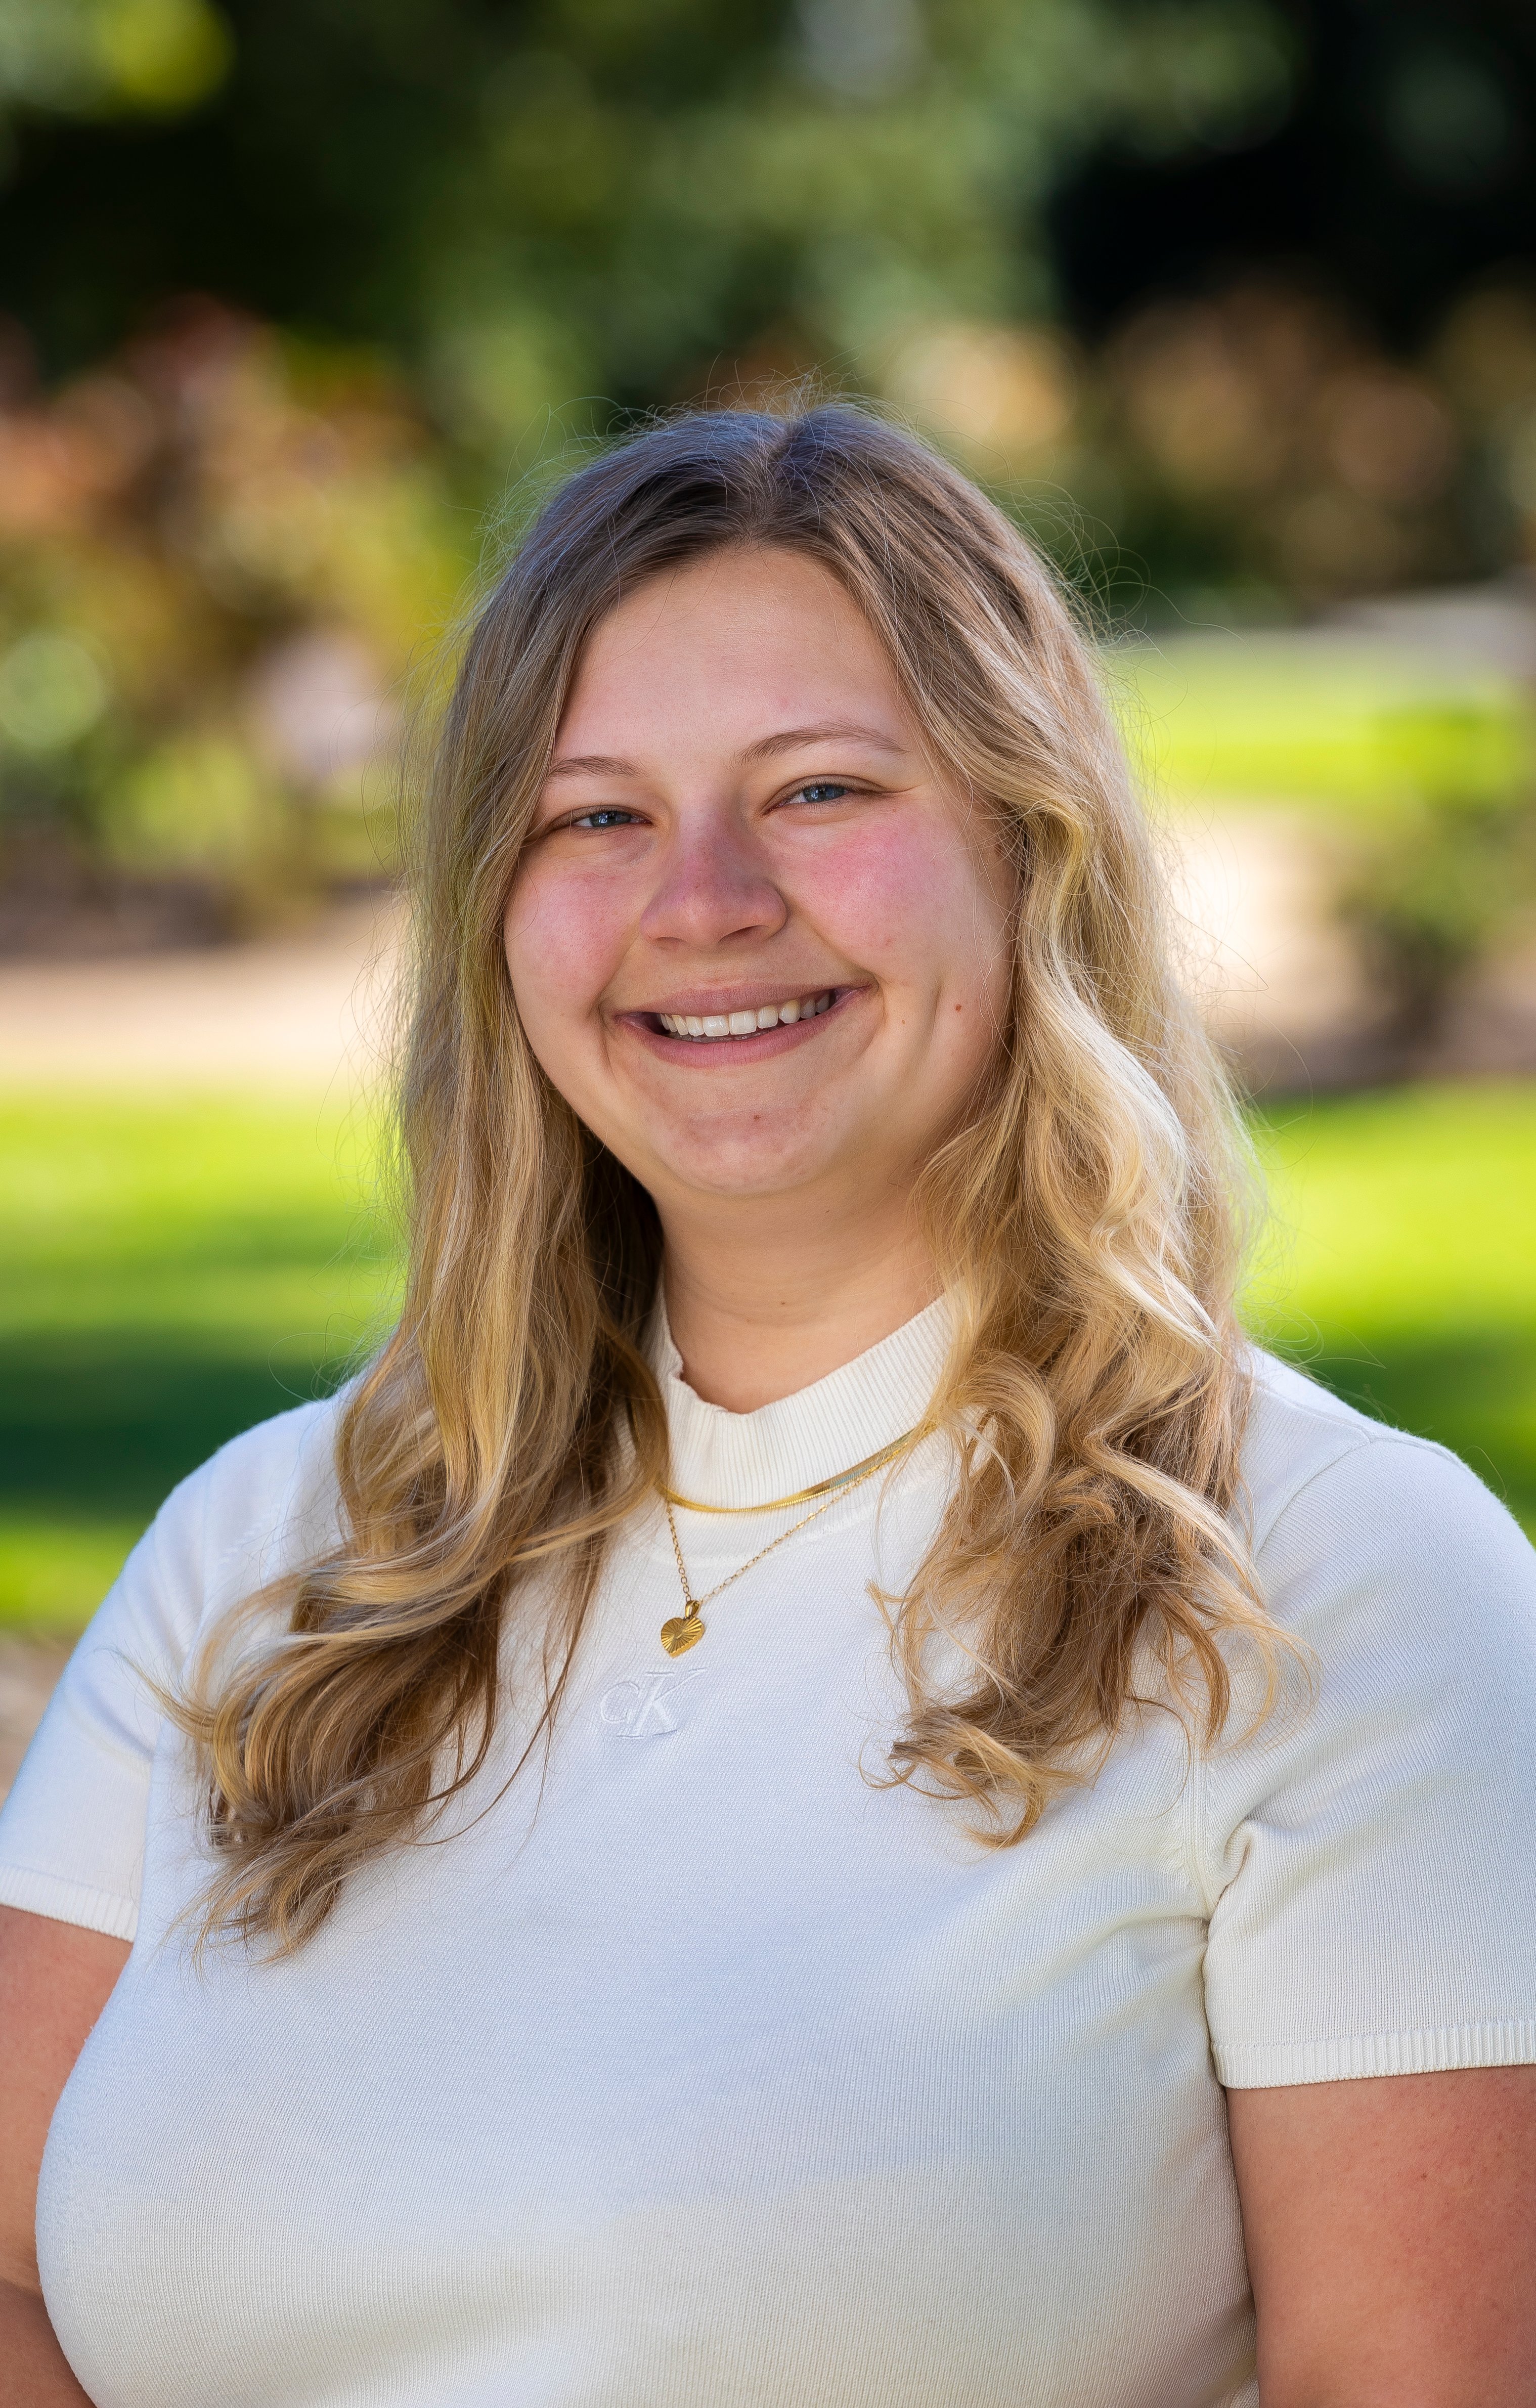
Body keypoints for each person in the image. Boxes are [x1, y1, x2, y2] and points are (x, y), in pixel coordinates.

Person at [2, 407, 1534, 2408]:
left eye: (816, 790)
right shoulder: (269, 1545)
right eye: (594, 816)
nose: (702, 899)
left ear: (1028, 838)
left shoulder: (1345, 1588)